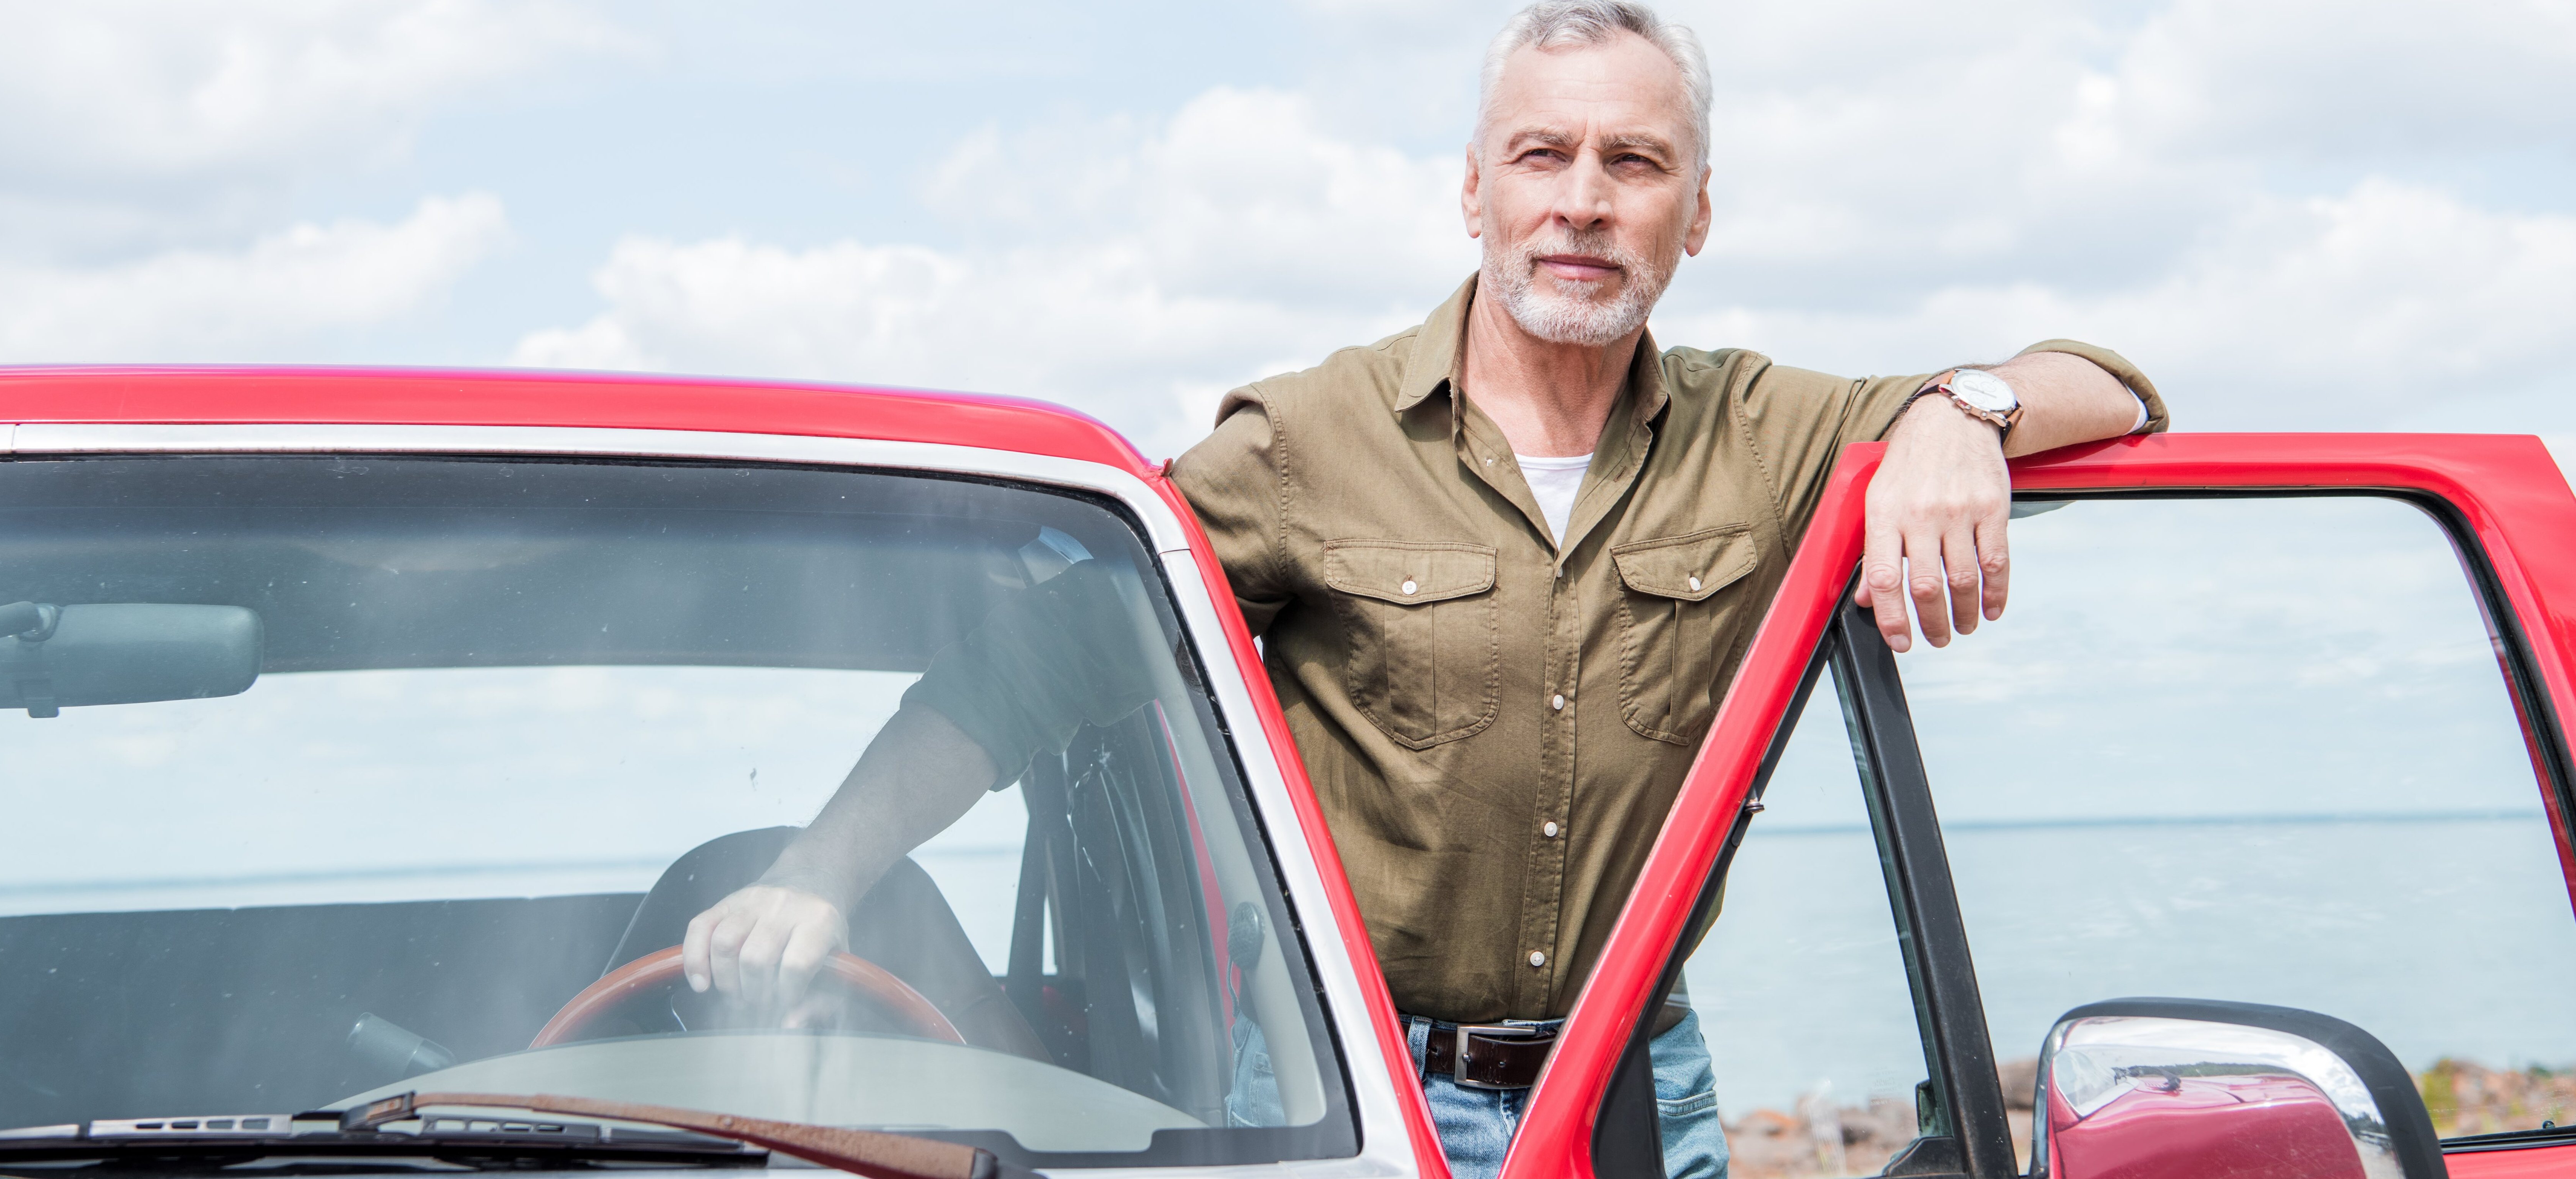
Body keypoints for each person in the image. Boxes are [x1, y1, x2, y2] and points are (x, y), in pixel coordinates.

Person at [679, 3, 2167, 1177]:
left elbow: (2108, 387)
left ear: (1695, 214)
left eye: (1632, 164)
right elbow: (1026, 672)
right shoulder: (1302, 440)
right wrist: (819, 872)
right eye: (1541, 156)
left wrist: (1954, 411)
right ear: (1473, 190)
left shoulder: (1767, 433)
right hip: (1356, 1087)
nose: (1581, 202)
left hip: (1641, 1085)